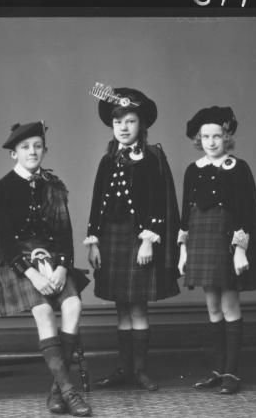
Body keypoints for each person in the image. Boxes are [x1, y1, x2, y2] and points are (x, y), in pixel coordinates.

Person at [0, 121, 92, 416]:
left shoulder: (53, 186)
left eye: (37, 146)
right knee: (45, 311)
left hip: (53, 260)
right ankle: (70, 392)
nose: (32, 152)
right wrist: (32, 273)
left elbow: (65, 234)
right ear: (14, 153)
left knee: (73, 305)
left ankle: (56, 391)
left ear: (44, 150)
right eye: (25, 147)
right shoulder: (3, 188)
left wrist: (61, 268)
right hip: (16, 264)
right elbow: (4, 242)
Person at [85, 86, 181, 391]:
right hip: (112, 238)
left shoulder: (152, 157)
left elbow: (158, 202)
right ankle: (124, 369)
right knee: (121, 306)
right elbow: (96, 201)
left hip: (138, 238)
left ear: (142, 125)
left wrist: (148, 240)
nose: (123, 128)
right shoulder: (107, 159)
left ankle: (140, 371)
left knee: (137, 306)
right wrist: (94, 240)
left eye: (130, 121)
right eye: (118, 122)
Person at [177, 105, 256, 394]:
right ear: (199, 139)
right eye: (206, 137)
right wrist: (183, 252)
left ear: (226, 138)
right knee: (213, 308)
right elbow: (185, 215)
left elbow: (245, 212)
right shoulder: (193, 169)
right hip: (201, 240)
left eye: (217, 136)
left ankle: (232, 372)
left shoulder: (237, 168)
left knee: (230, 307)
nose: (212, 141)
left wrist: (240, 250)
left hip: (226, 241)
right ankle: (217, 370)